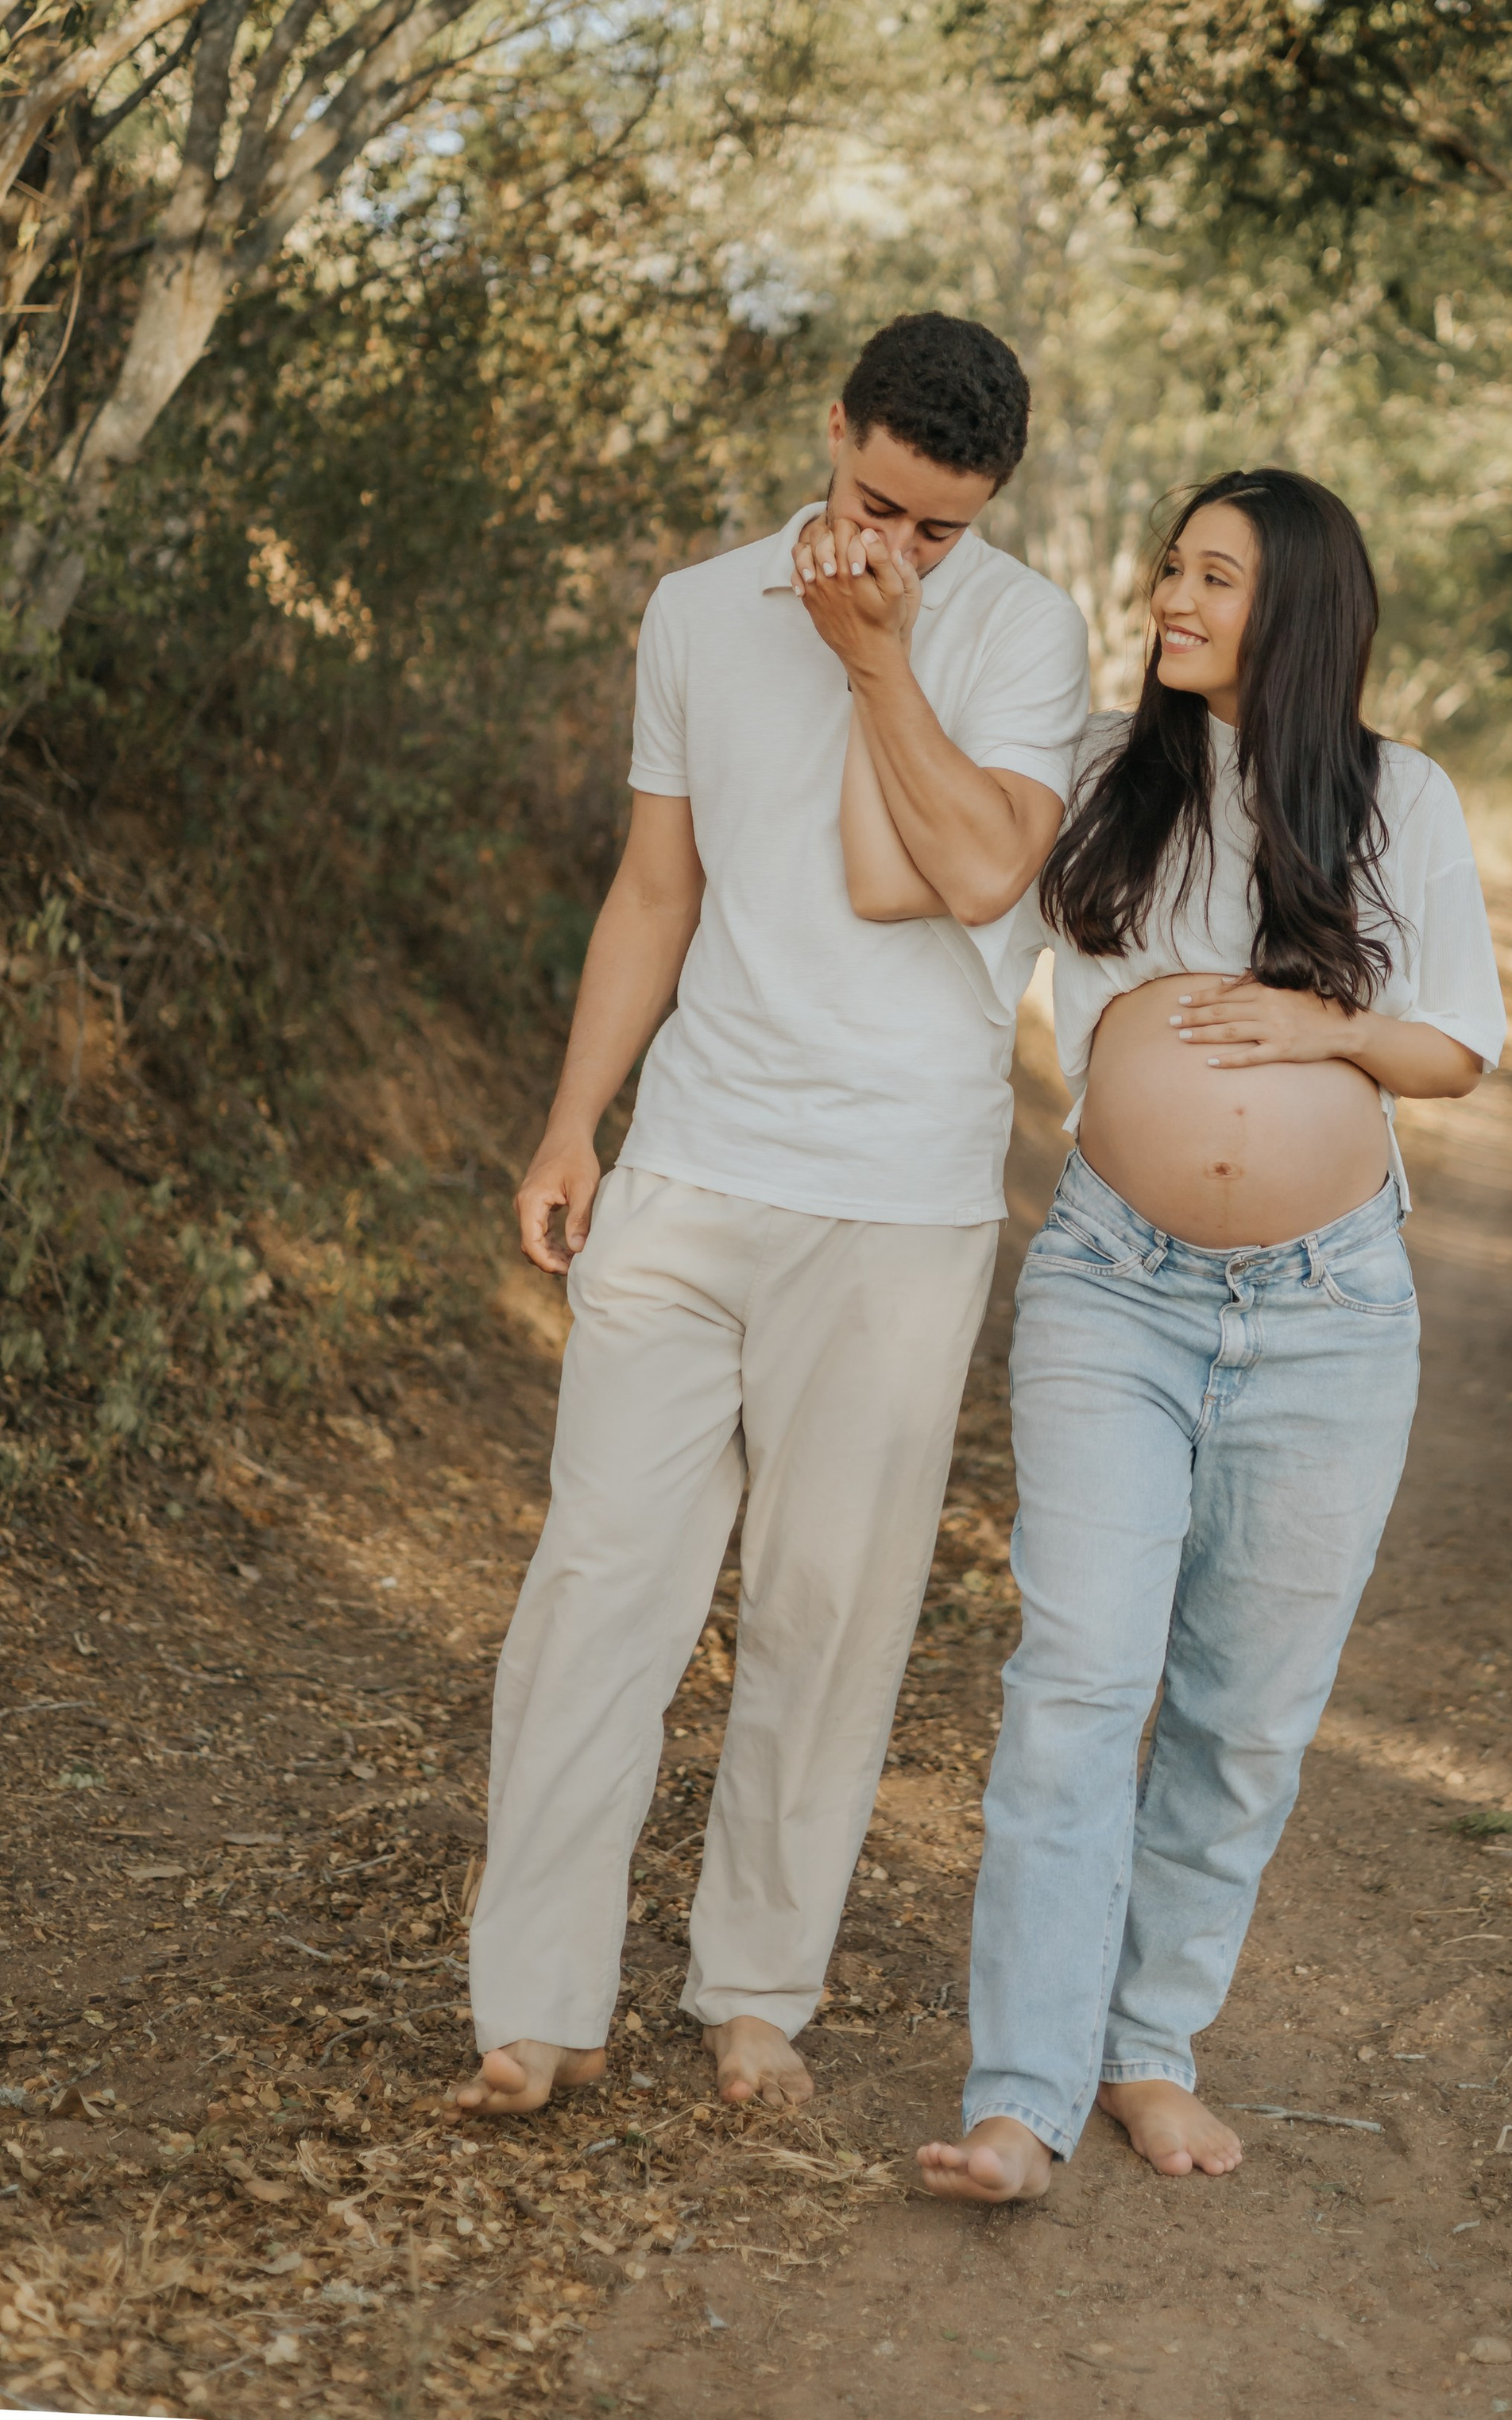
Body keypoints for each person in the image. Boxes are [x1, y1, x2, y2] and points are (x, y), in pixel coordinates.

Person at [450, 312, 1091, 2121]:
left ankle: (752, 1994)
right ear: (834, 433)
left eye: (943, 527)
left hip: (900, 1198)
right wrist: (573, 1122)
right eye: (880, 506)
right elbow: (657, 888)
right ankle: (537, 2007)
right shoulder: (693, 609)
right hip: (689, 1168)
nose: (903, 548)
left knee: (830, 1606)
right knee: (597, 1585)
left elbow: (981, 868)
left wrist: (878, 656)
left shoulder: (1023, 631)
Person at [845, 467, 1506, 2201]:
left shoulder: (1397, 797)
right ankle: (1020, 2094)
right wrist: (877, 666)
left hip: (1331, 1313)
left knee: (1245, 1713)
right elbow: (919, 870)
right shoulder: (1094, 773)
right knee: (1077, 1681)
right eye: (1170, 568)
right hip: (1111, 1288)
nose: (1172, 599)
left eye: (1215, 576)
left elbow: (1454, 1044)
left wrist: (1321, 1030)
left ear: (1300, 608)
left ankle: (1148, 2048)